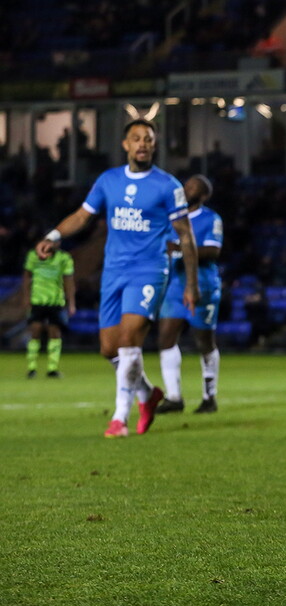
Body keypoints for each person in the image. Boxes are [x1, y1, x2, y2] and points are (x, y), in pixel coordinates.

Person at [35, 119, 199, 438]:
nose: (142, 144)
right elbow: (83, 216)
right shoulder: (108, 181)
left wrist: (191, 284)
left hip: (150, 270)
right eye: (136, 138)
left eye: (148, 139)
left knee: (128, 342)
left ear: (154, 145)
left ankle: (120, 417)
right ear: (125, 144)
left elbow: (186, 236)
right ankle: (148, 394)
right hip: (114, 271)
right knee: (108, 349)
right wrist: (54, 235)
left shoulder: (168, 186)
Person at [155, 175, 223, 415]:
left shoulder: (211, 218)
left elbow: (213, 251)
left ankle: (209, 396)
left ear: (203, 195)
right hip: (173, 284)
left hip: (203, 286)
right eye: (186, 184)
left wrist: (182, 248)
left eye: (193, 186)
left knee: (204, 341)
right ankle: (174, 397)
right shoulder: (170, 217)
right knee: (165, 338)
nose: (186, 188)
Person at [22, 241, 76, 378]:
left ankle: (52, 368)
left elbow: (69, 280)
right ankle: (31, 368)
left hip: (55, 301)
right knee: (35, 332)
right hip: (37, 300)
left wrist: (71, 303)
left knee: (55, 334)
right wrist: (26, 298)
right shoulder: (33, 256)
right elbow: (27, 277)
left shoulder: (64, 258)